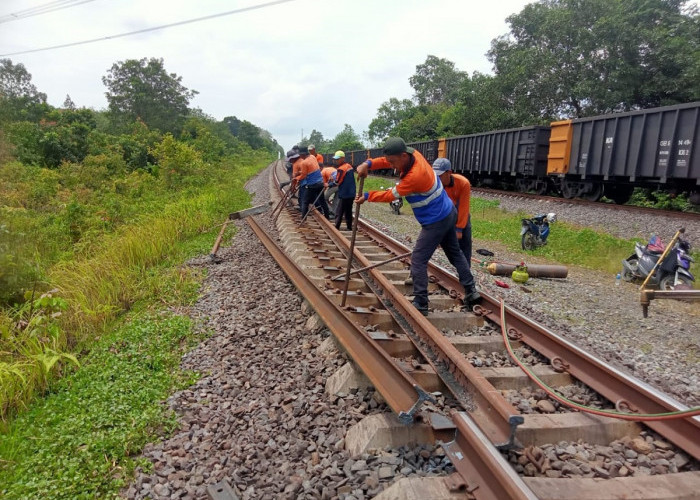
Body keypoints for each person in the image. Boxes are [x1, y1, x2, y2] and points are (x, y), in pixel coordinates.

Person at [354, 137, 480, 315]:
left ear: (403, 156)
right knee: (455, 254)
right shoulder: (413, 155)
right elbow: (386, 159)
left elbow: (391, 195)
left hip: (436, 221)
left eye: (393, 162)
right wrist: (368, 163)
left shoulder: (415, 176)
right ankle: (471, 290)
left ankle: (421, 303)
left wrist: (367, 196)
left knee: (419, 260)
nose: (391, 166)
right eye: (390, 162)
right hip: (448, 212)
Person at [432, 158, 472, 264]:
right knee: (445, 246)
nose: (437, 178)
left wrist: (459, 230)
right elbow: (434, 208)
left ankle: (465, 270)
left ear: (449, 172)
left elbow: (464, 208)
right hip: (444, 215)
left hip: (460, 214)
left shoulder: (463, 183)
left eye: (439, 175)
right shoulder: (434, 183)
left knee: (465, 243)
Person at [294, 145, 330, 219]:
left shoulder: (304, 163)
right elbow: (310, 170)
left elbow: (304, 175)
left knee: (305, 201)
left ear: (303, 154)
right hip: (320, 183)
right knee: (322, 201)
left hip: (312, 185)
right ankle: (327, 216)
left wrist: (297, 179)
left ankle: (304, 218)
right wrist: (300, 173)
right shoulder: (313, 157)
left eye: (300, 155)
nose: (300, 156)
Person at [332, 150, 356, 230]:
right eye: (335, 159)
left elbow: (338, 181)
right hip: (351, 192)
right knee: (348, 211)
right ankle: (349, 227)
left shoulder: (341, 169)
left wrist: (331, 182)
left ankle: (337, 226)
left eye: (338, 159)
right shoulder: (349, 166)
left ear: (343, 158)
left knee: (340, 210)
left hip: (344, 193)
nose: (336, 161)